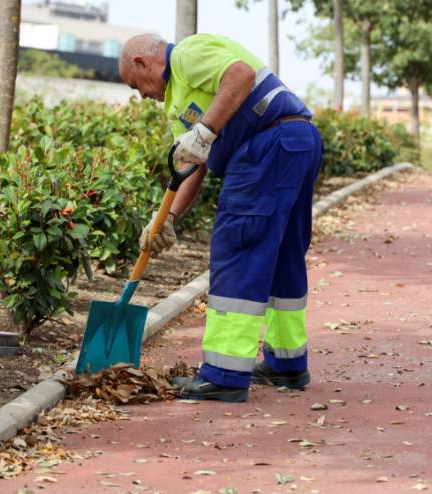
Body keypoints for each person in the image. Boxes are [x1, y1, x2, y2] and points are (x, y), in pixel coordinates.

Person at [119, 33, 322, 403]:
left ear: (142, 63)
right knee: (283, 255)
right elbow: (191, 165)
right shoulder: (175, 104)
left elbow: (241, 75)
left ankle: (225, 375)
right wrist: (166, 217)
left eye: (136, 85)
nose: (142, 95)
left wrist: (205, 130)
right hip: (296, 141)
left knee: (238, 249)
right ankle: (287, 363)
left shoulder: (186, 55)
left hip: (267, 144)